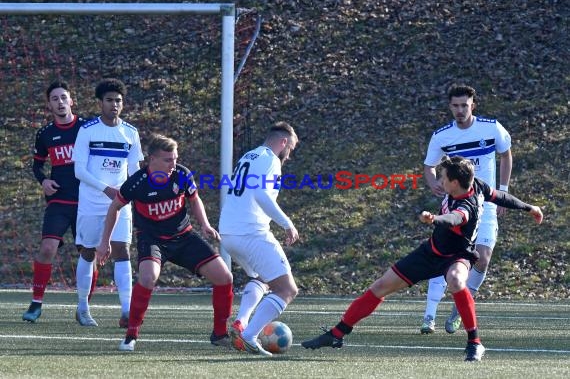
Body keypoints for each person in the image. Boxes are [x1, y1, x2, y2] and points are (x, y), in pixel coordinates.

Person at [301, 155, 543, 362]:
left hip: (458, 255)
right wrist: (528, 207)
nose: (439, 181)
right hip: (431, 252)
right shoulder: (476, 185)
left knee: (457, 280)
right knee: (379, 287)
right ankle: (337, 333)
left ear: (455, 183)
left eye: (442, 178)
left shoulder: (467, 204)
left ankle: (474, 342)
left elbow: (455, 219)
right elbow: (499, 196)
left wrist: (434, 219)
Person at [95, 134, 234, 352]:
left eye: (175, 158)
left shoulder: (182, 174)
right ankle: (131, 335)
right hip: (152, 239)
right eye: (168, 160)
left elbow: (194, 199)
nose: (174, 164)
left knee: (224, 277)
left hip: (184, 236)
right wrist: (105, 242)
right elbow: (114, 208)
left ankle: (220, 334)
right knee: (148, 277)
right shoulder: (137, 182)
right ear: (152, 160)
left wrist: (205, 225)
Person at [420, 84, 513, 335]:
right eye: (455, 105)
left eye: (465, 105)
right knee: (444, 256)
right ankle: (429, 316)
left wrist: (502, 191)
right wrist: (434, 185)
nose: (460, 110)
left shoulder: (491, 128)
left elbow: (506, 155)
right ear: (450, 106)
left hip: (486, 204)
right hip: (456, 206)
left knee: (482, 258)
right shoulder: (442, 136)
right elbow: (429, 166)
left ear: (473, 104)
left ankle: (460, 309)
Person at [219, 122, 300, 357]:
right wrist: (287, 223)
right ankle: (249, 337)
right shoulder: (271, 159)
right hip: (250, 233)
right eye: (291, 149)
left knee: (261, 278)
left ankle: (241, 323)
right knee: (286, 289)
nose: (289, 155)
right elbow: (261, 195)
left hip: (229, 233)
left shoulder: (249, 155)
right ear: (283, 142)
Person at [23, 80, 98, 323]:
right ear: (49, 105)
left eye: (64, 97)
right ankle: (36, 303)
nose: (60, 102)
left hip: (87, 201)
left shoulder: (88, 128)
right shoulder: (45, 134)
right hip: (59, 201)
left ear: (71, 101)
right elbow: (37, 165)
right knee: (47, 249)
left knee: (88, 254)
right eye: (55, 98)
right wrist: (43, 180)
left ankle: (84, 306)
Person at [72, 78, 144, 327]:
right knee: (89, 252)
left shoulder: (130, 133)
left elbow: (135, 170)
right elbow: (79, 171)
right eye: (110, 100)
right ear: (100, 102)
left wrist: (132, 193)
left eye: (119, 101)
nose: (115, 105)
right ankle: (82, 308)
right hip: (92, 202)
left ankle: (127, 311)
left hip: (120, 203)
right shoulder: (88, 130)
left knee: (122, 250)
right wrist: (105, 189)